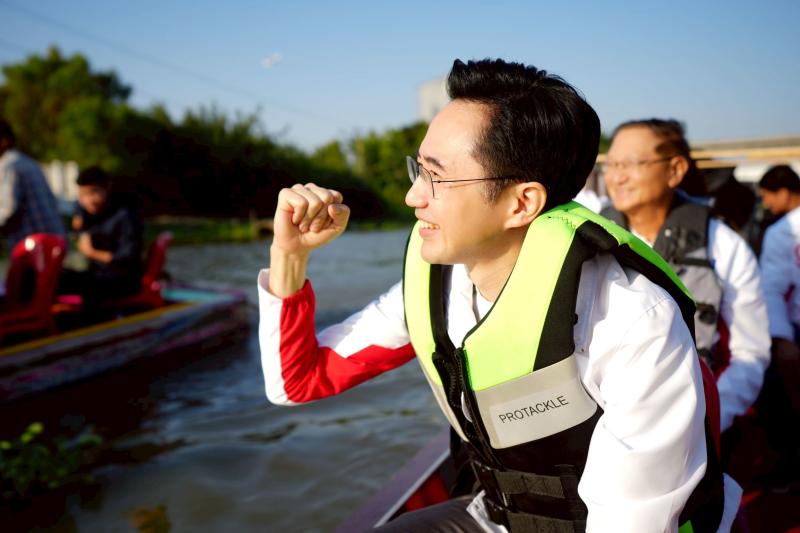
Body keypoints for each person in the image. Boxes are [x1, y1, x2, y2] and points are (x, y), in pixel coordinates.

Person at [259, 59, 739, 532]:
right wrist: (290, 255)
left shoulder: (631, 317)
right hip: (497, 517)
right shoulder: (437, 283)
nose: (412, 197)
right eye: (418, 170)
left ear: (521, 202)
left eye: (437, 178)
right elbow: (297, 381)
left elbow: (634, 521)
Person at [600, 119, 770, 436]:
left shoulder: (723, 245)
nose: (616, 176)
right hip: (607, 426)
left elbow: (749, 352)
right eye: (611, 164)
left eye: (630, 164)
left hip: (699, 422)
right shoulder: (592, 242)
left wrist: (706, 418)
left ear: (675, 170)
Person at [755, 164, 800, 488]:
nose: (766, 203)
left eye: (768, 196)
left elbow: (771, 287)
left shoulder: (781, 231)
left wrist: (781, 338)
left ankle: (790, 470)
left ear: (784, 192)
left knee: (779, 403)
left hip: (793, 332)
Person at [58, 166, 143, 308]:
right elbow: (79, 211)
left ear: (107, 188)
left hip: (123, 281)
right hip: (98, 274)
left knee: (72, 282)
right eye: (82, 195)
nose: (88, 200)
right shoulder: (89, 213)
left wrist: (92, 253)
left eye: (93, 193)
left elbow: (127, 260)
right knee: (57, 276)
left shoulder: (125, 217)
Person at [0, 119, 66, 252]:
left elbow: (7, 212)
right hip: (55, 243)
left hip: (37, 248)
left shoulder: (8, 165)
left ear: (3, 141)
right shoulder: (26, 161)